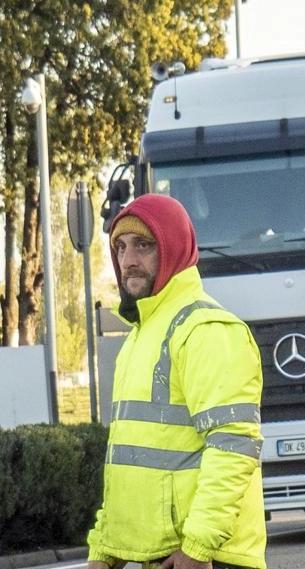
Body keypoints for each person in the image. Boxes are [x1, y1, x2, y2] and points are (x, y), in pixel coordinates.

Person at [86, 193, 266, 569]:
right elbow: (127, 459)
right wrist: (105, 549)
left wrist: (198, 548)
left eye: (143, 245)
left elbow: (232, 446)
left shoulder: (207, 329)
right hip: (166, 555)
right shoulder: (139, 336)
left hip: (209, 559)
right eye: (119, 247)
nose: (128, 260)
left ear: (173, 248)